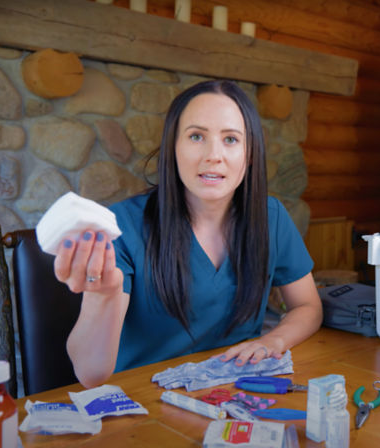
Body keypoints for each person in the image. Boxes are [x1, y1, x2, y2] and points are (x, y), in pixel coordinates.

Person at [53, 80, 323, 388]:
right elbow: (90, 374)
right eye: (196, 136)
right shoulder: (121, 227)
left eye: (231, 139)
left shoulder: (270, 217)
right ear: (173, 149)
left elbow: (308, 306)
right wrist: (105, 296)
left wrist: (273, 341)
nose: (213, 155)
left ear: (249, 154)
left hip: (233, 395)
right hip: (141, 405)